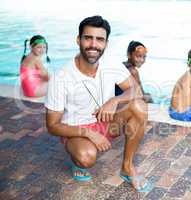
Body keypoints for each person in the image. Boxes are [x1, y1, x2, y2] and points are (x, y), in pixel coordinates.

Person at [45, 15, 152, 192]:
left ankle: (127, 167)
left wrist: (114, 100)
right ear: (78, 40)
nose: (94, 44)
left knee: (139, 106)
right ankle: (77, 162)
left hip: (107, 121)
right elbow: (52, 126)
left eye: (99, 39)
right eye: (88, 38)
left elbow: (136, 91)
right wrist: (89, 133)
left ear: (106, 44)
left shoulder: (110, 63)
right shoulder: (61, 77)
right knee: (86, 157)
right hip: (76, 129)